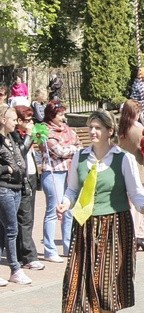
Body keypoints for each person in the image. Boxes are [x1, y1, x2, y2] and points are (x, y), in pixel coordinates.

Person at [58, 109, 144, 313]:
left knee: (106, 282)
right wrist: (65, 204)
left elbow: (135, 192)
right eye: (91, 127)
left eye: (98, 127)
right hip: (85, 225)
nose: (93, 131)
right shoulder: (80, 157)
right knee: (91, 282)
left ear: (110, 131)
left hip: (115, 224)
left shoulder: (123, 159)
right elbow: (72, 190)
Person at [41, 100, 81, 262]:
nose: (63, 117)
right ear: (52, 115)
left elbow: (80, 144)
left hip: (70, 171)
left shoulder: (68, 130)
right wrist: (73, 149)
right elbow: (58, 151)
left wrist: (72, 149)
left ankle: (68, 245)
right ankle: (50, 250)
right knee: (53, 210)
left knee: (69, 209)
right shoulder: (44, 131)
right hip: (53, 173)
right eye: (60, 114)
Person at [0, 105, 32, 285]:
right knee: (12, 229)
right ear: (3, 120)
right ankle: (15, 268)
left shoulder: (11, 137)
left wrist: (28, 135)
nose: (15, 122)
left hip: (16, 187)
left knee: (3, 230)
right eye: (12, 119)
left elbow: (21, 153)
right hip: (3, 188)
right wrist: (7, 168)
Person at [117, 100, 144, 252]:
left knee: (130, 204)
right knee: (143, 202)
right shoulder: (139, 130)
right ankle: (139, 236)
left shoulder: (120, 129)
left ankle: (129, 234)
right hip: (139, 168)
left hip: (123, 169)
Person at [12, 106, 44, 271]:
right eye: (27, 120)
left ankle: (21, 252)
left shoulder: (28, 134)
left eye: (32, 120)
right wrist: (30, 136)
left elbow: (37, 144)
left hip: (31, 176)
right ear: (18, 122)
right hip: (21, 179)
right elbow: (19, 153)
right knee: (25, 218)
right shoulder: (15, 136)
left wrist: (38, 135)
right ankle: (29, 256)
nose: (31, 123)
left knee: (28, 217)